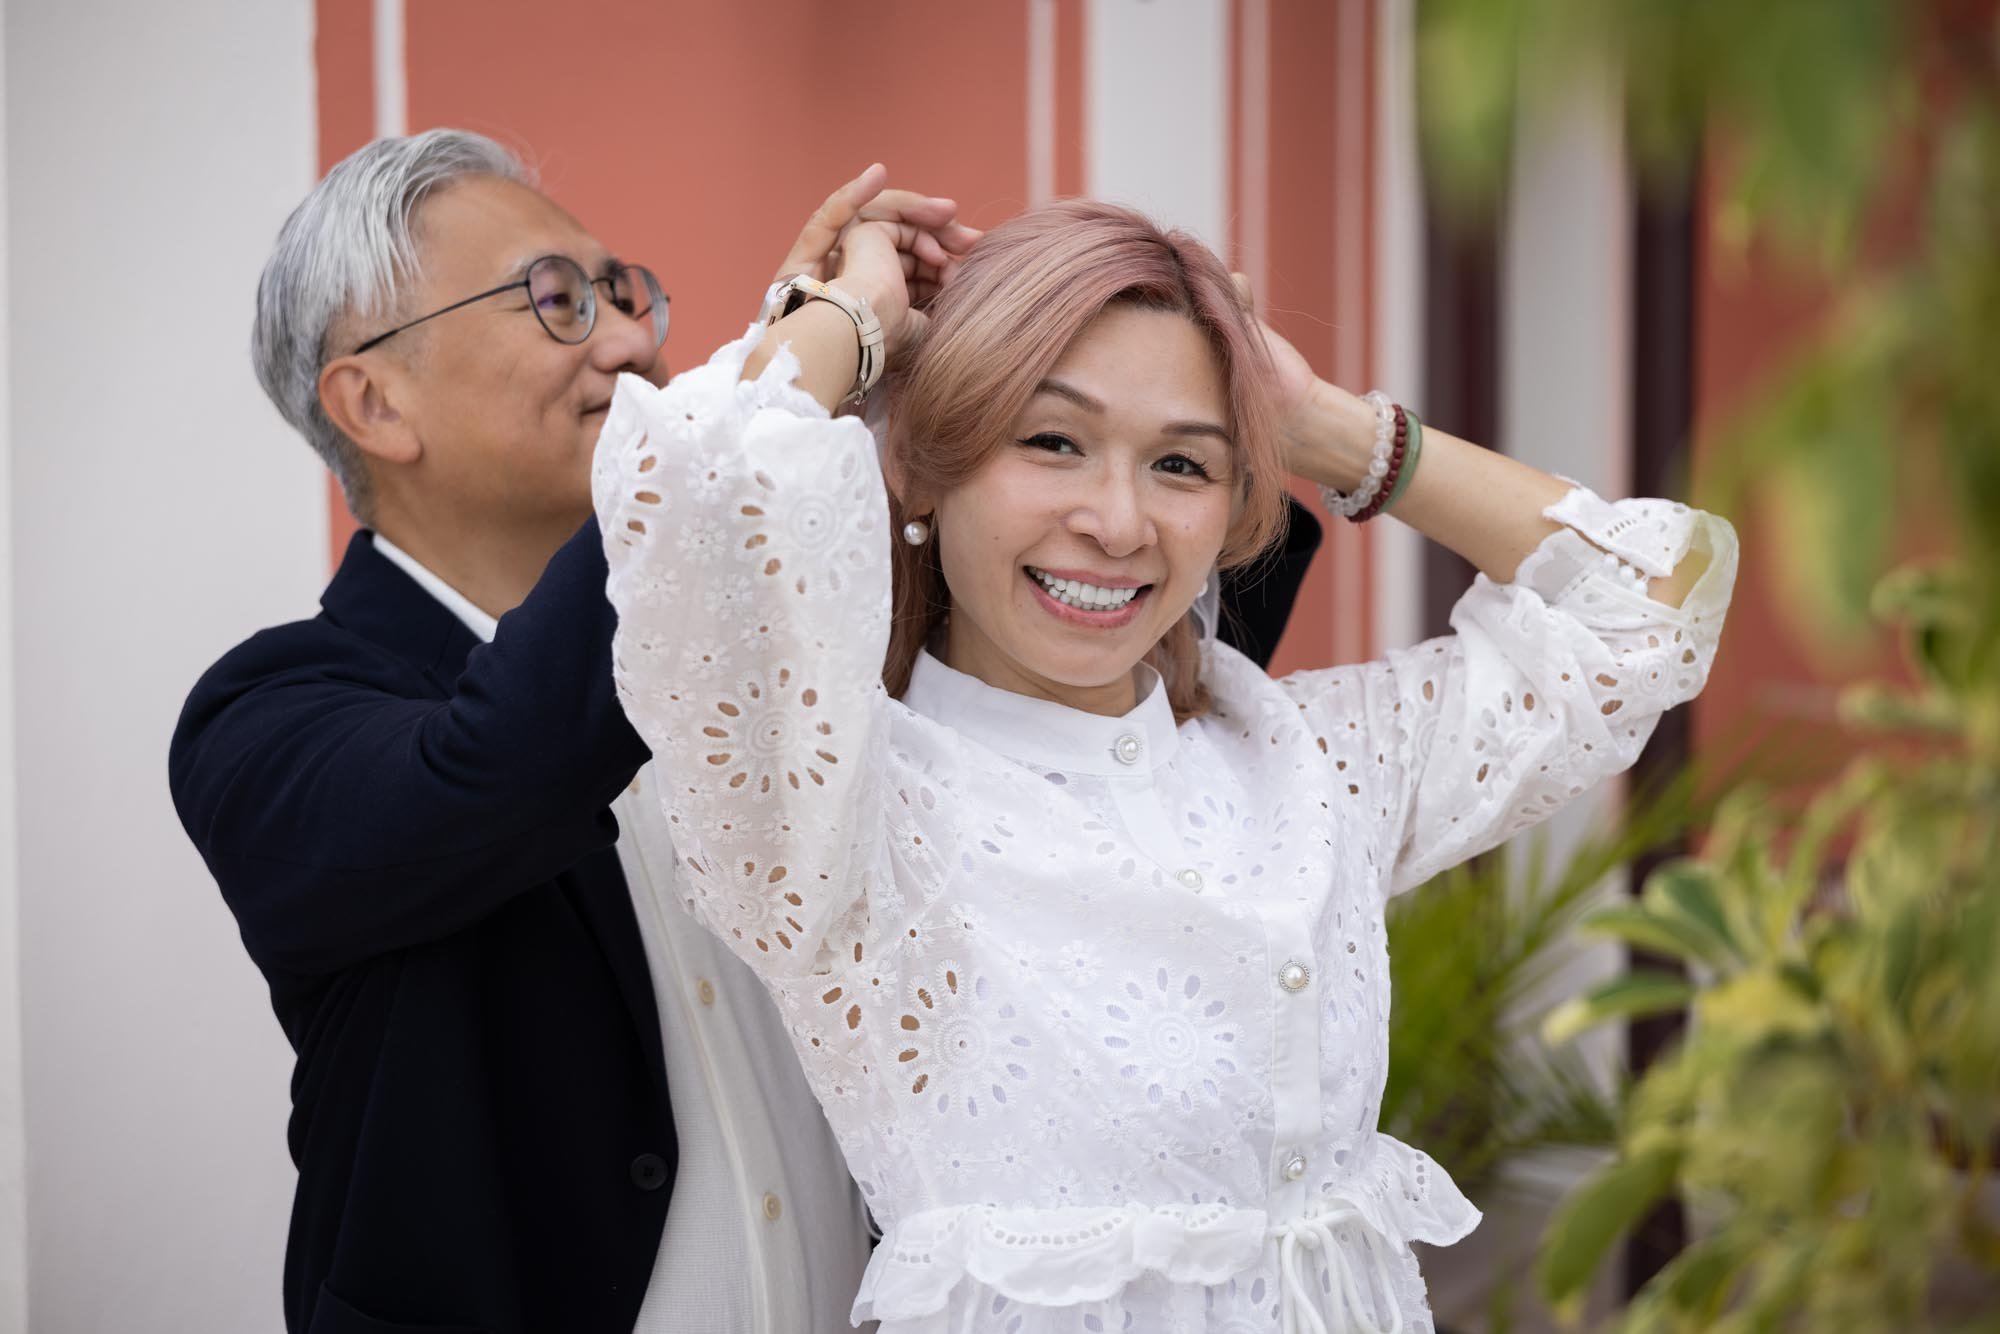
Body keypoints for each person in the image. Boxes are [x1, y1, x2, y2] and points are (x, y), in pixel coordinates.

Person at [169, 134, 1320, 1334]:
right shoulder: (271, 712)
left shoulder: (800, 625)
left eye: (624, 291)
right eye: (554, 299)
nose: (627, 338)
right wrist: (814, 348)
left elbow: (1122, 620)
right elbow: (511, 756)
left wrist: (1214, 396)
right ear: (374, 399)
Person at [593, 199, 1738, 1333]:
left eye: (1182, 463)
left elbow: (1650, 595)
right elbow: (692, 480)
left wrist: (1313, 422)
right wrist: (845, 317)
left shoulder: (1307, 762)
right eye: (1051, 440)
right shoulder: (838, 812)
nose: (1117, 520)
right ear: (923, 469)